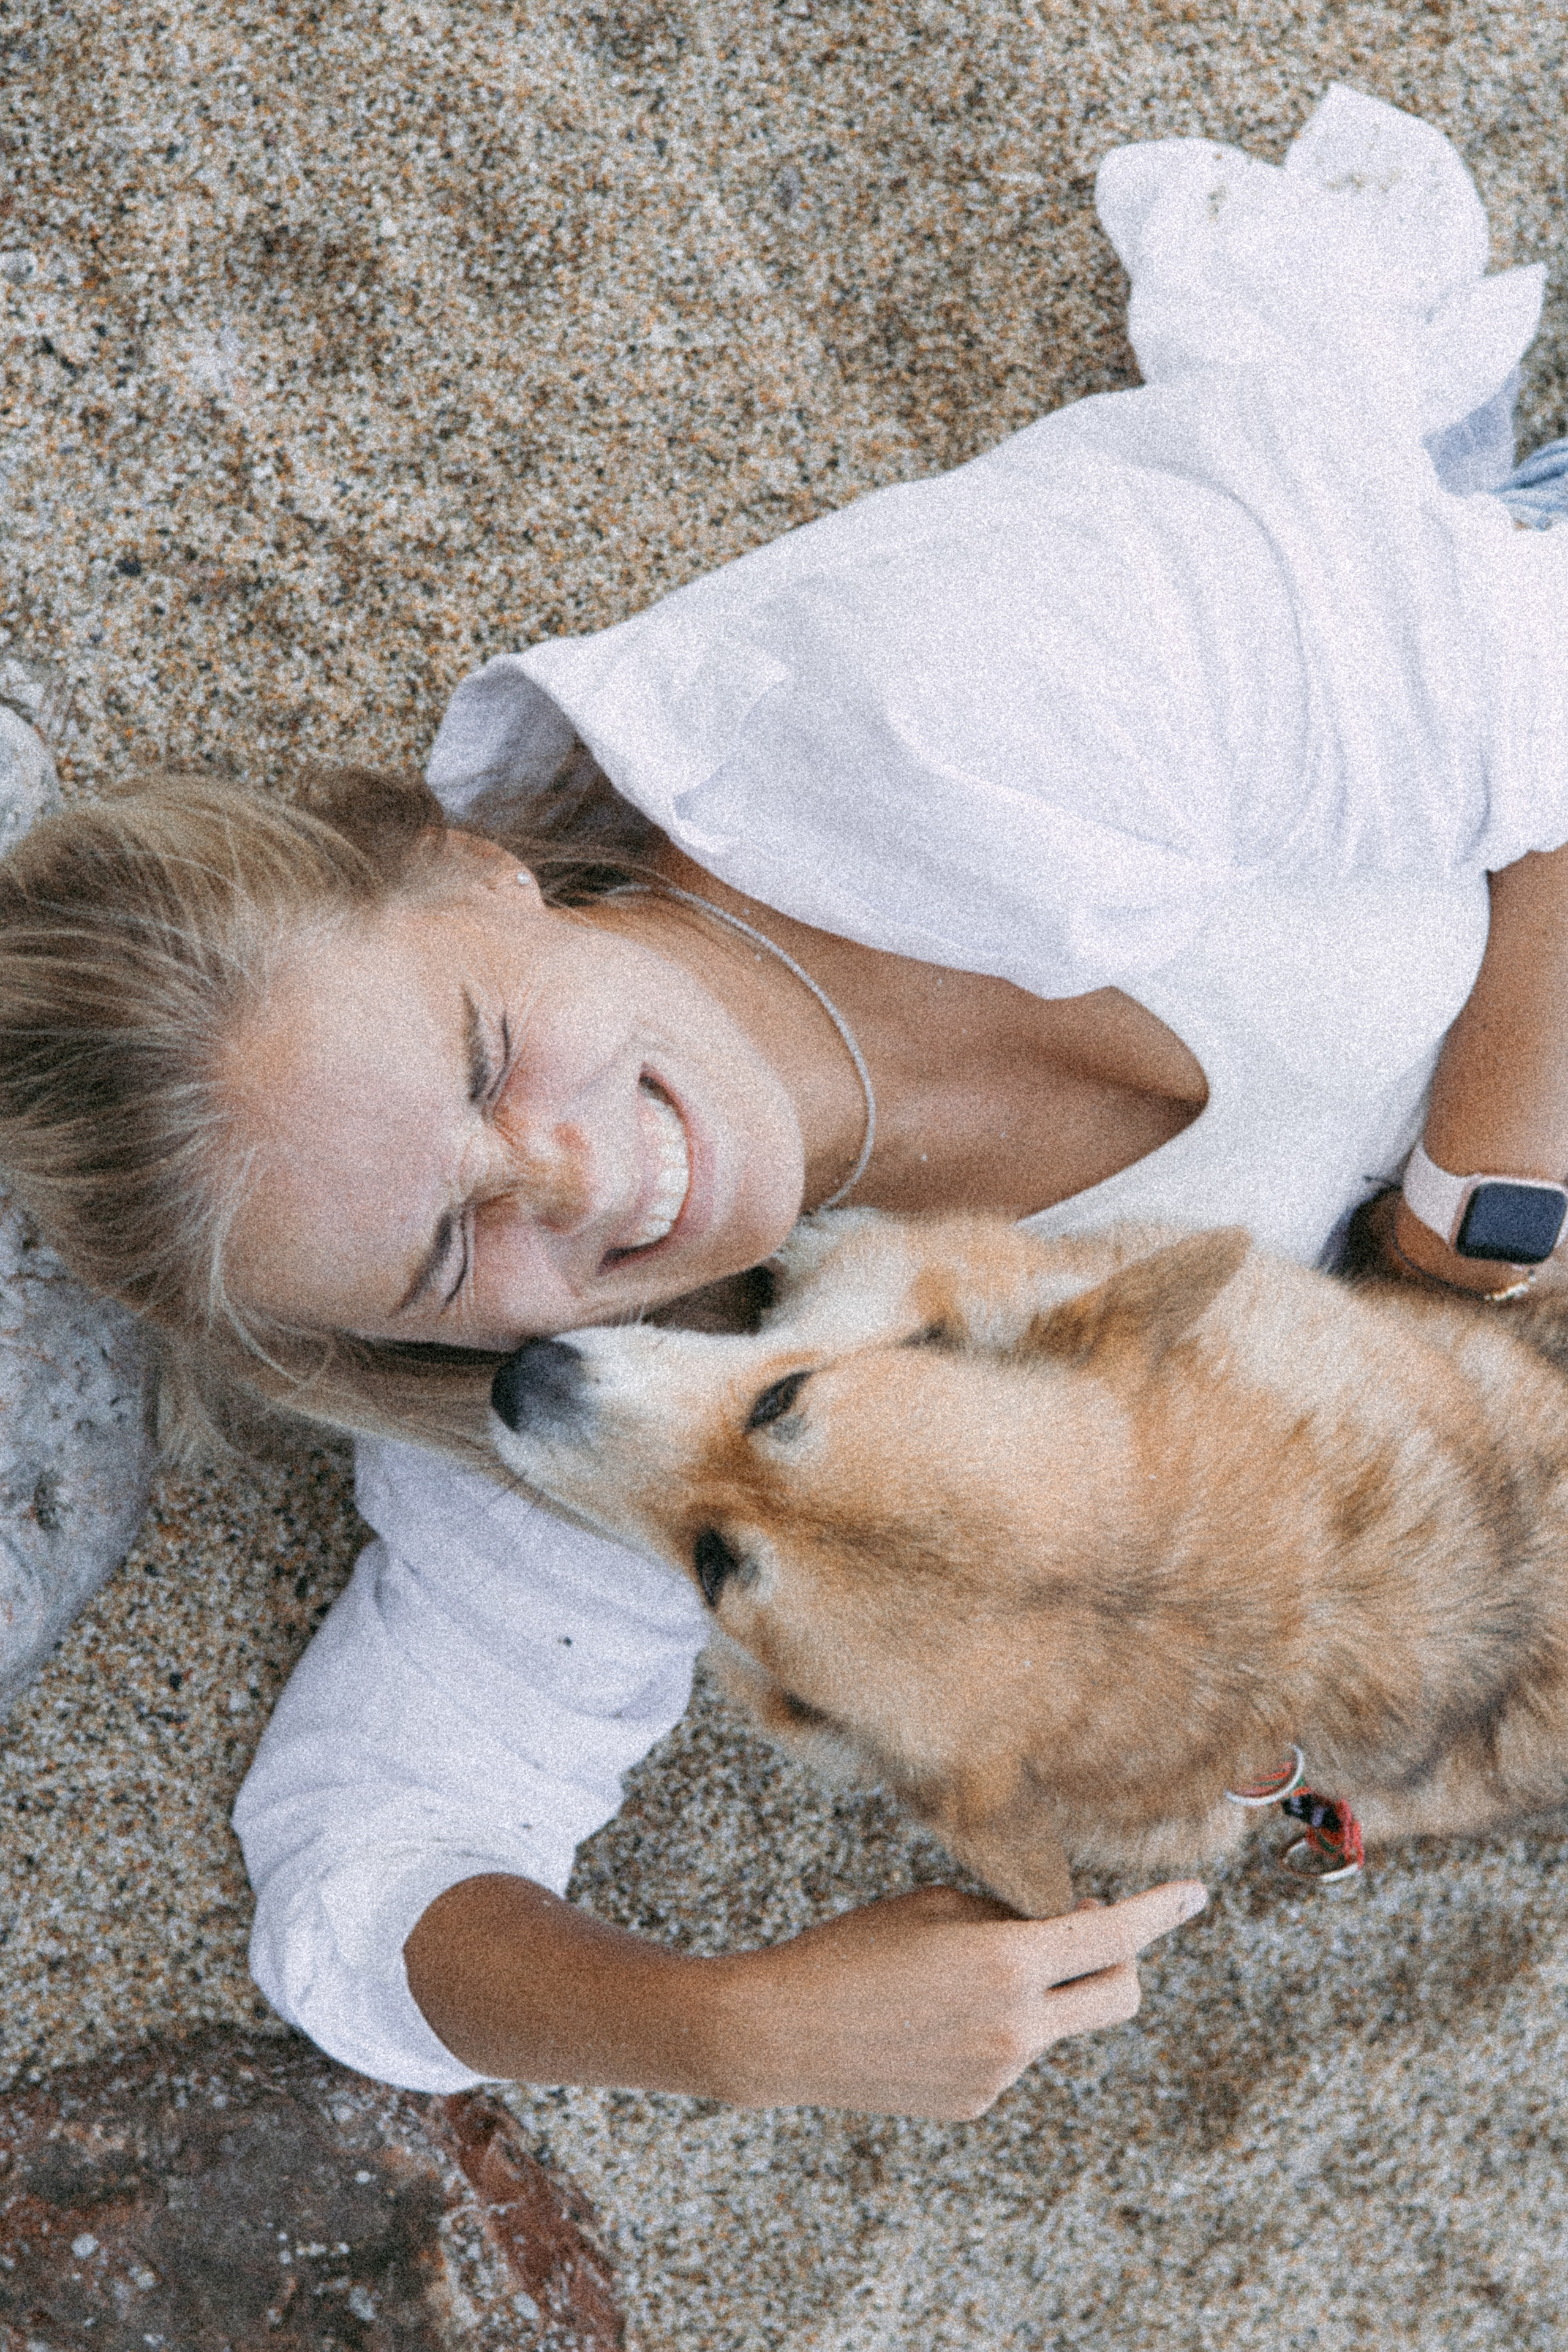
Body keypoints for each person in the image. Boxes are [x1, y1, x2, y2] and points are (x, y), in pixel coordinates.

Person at [2, 85, 1567, 2119]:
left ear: (476, 871)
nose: (566, 1175)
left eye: (485, 1057)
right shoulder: (629, 1383)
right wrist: (725, 2032)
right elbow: (362, 1864)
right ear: (397, 1329)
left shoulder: (935, 708)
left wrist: (1472, 1245)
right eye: (450, 1240)